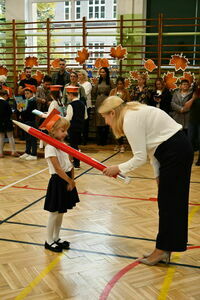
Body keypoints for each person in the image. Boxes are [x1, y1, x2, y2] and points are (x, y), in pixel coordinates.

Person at [99, 96, 193, 266]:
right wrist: (158, 175)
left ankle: (162, 250)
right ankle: (166, 248)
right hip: (174, 151)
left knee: (170, 205)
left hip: (175, 152)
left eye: (105, 117)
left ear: (113, 113)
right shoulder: (133, 112)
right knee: (169, 204)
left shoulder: (129, 119)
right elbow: (152, 147)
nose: (106, 122)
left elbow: (140, 157)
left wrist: (118, 168)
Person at [41, 114, 79, 252]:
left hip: (67, 179)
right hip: (58, 181)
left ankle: (56, 237)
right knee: (54, 212)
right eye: (63, 130)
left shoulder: (63, 145)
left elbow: (70, 164)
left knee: (61, 211)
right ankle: (48, 240)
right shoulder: (50, 148)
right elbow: (57, 168)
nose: (66, 133)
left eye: (66, 130)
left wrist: (72, 179)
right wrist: (69, 180)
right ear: (53, 131)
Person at [65, 85, 87, 169]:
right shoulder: (82, 104)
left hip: (72, 128)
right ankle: (75, 162)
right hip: (80, 127)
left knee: (73, 146)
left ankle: (76, 163)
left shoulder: (71, 105)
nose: (67, 96)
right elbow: (85, 116)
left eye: (67, 94)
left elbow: (68, 118)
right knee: (75, 145)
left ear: (71, 94)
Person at [92, 67, 115, 145]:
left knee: (105, 120)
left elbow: (114, 91)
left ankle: (104, 140)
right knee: (98, 120)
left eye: (104, 72)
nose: (102, 73)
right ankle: (99, 140)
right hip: (98, 101)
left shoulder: (110, 81)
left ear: (107, 73)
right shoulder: (98, 81)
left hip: (107, 101)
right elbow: (94, 91)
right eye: (101, 72)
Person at [109, 76, 130, 152]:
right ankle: (118, 144)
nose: (119, 85)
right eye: (118, 84)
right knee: (114, 129)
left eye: (121, 84)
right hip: (114, 112)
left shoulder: (126, 92)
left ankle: (122, 145)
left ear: (123, 84)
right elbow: (109, 101)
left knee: (120, 129)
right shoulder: (112, 91)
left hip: (121, 111)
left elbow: (128, 102)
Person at [18, 85, 38, 160]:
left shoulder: (33, 101)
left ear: (32, 93)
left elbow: (27, 112)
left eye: (28, 93)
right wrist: (20, 110)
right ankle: (27, 152)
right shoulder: (26, 101)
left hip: (31, 121)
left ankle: (34, 154)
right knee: (27, 138)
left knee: (32, 138)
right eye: (25, 93)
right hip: (26, 121)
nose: (26, 95)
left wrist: (21, 110)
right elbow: (23, 111)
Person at [183, 79, 200, 166]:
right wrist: (193, 99)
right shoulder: (194, 94)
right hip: (193, 121)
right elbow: (186, 107)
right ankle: (188, 159)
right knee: (190, 140)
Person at [0, 89, 19, 158]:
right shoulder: (5, 103)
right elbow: (10, 113)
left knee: (1, 137)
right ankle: (13, 151)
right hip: (7, 121)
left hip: (0, 122)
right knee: (10, 137)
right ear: (5, 95)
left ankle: (0, 153)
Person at [78, 69, 92, 144]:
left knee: (85, 122)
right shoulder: (77, 84)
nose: (79, 76)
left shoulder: (87, 84)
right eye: (78, 75)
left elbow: (84, 94)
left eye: (80, 75)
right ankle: (79, 138)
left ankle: (85, 139)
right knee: (79, 122)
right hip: (78, 105)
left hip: (86, 105)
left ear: (84, 76)